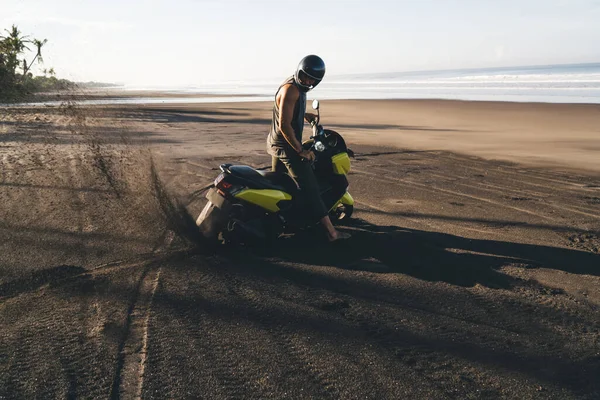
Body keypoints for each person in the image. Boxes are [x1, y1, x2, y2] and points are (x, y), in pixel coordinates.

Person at [267, 55, 351, 242]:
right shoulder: (291, 90)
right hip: (287, 147)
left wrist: (304, 115)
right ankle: (332, 233)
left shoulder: (297, 87)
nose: (307, 81)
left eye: (312, 79)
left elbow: (286, 110)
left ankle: (280, 221)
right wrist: (300, 150)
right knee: (311, 189)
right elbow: (284, 125)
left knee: (279, 184)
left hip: (276, 144)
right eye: (305, 76)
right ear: (299, 71)